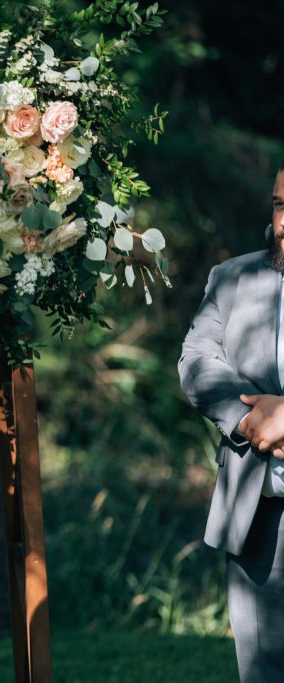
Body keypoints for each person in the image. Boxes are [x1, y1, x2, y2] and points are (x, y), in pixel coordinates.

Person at [179, 163, 284, 683]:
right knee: (260, 670)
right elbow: (197, 361)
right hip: (258, 510)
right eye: (281, 204)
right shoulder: (233, 277)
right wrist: (248, 419)